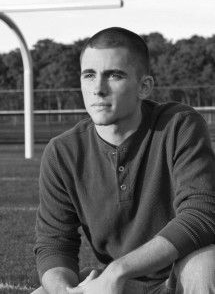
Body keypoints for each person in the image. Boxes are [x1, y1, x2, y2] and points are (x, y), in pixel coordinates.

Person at [32, 27, 215, 294]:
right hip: (124, 284)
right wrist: (64, 291)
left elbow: (201, 214)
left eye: (114, 75)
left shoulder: (178, 124)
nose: (98, 89)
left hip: (178, 273)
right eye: (89, 75)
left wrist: (118, 270)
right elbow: (54, 244)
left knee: (205, 266)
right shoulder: (62, 152)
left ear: (144, 86)